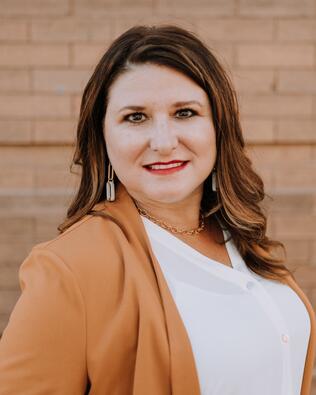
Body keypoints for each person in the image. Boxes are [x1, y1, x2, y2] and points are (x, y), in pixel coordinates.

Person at [0, 24, 314, 395]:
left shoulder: (241, 237)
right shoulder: (69, 271)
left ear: (218, 125)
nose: (164, 142)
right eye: (135, 117)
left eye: (185, 113)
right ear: (103, 137)